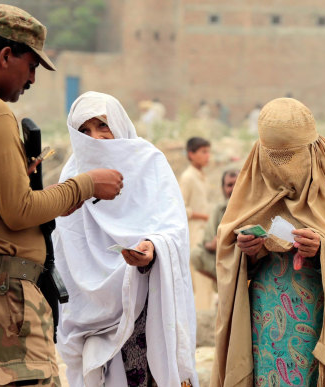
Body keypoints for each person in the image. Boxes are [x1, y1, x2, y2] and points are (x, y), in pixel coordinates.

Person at [0, 5, 123, 386]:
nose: (33, 79)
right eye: (32, 65)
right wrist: (86, 184)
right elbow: (19, 211)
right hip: (0, 298)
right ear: (6, 56)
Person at [211, 98, 325, 386]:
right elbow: (229, 242)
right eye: (274, 156)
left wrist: (323, 248)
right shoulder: (254, 174)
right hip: (266, 312)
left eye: (290, 156)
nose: (281, 167)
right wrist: (249, 251)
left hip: (322, 311)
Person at [53, 91, 198, 387]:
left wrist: (153, 248)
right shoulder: (72, 177)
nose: (96, 137)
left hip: (147, 307)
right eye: (84, 130)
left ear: (118, 123)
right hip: (91, 320)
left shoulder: (149, 163)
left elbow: (174, 228)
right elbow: (67, 248)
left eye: (102, 126)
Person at [179, 137, 214, 310]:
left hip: (205, 231)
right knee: (199, 277)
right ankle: (201, 319)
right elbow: (180, 208)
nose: (208, 156)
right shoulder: (187, 177)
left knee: (208, 277)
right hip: (195, 232)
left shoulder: (203, 177)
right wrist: (204, 216)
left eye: (208, 151)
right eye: (203, 152)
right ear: (191, 154)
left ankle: (206, 315)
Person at [191, 169, 239, 287]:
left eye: (237, 183)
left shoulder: (252, 206)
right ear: (223, 188)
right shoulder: (219, 210)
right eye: (229, 185)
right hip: (224, 261)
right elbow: (207, 243)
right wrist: (213, 245)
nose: (233, 188)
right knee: (196, 254)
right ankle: (223, 284)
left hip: (247, 258)